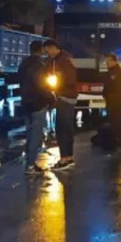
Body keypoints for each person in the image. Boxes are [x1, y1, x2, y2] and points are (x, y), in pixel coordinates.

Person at [43, 39, 80, 170]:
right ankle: (69, 157)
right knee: (67, 127)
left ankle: (64, 158)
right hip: (66, 96)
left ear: (53, 48)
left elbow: (68, 79)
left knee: (62, 128)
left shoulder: (63, 61)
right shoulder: (57, 60)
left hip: (65, 96)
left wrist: (56, 84)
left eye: (48, 51)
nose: (47, 54)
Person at [18, 40, 54, 174]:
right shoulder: (40, 65)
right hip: (38, 103)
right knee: (36, 135)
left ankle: (29, 163)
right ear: (41, 50)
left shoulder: (23, 64)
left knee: (29, 133)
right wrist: (51, 98)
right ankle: (30, 165)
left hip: (25, 102)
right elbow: (42, 85)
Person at [102, 53, 121, 151]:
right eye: (106, 61)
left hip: (116, 100)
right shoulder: (111, 72)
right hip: (111, 100)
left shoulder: (117, 72)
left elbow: (117, 86)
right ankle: (118, 143)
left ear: (115, 61)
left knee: (118, 122)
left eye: (109, 61)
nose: (107, 63)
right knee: (114, 122)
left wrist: (108, 93)